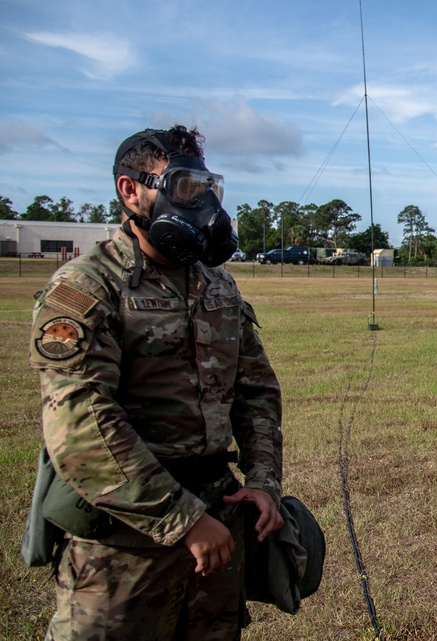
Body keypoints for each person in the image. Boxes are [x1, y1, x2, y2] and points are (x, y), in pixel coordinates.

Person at [29, 125, 284, 640]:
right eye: (185, 188)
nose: (204, 204)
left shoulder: (218, 285)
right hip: (122, 547)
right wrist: (184, 521)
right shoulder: (88, 287)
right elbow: (81, 423)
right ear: (131, 190)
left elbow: (256, 392)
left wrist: (262, 482)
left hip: (219, 527)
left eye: (208, 188)